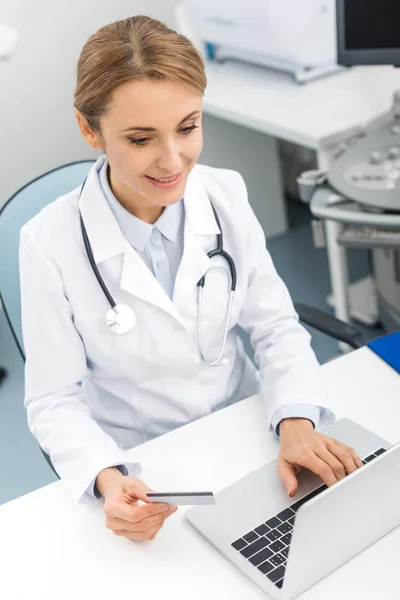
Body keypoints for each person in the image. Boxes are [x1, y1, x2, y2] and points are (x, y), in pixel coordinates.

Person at [19, 15, 362, 542]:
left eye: (188, 126)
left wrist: (296, 420)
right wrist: (108, 479)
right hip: (145, 466)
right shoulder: (48, 242)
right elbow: (53, 401)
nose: (173, 161)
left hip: (252, 429)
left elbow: (275, 328)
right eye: (140, 138)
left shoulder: (225, 195)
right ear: (90, 129)